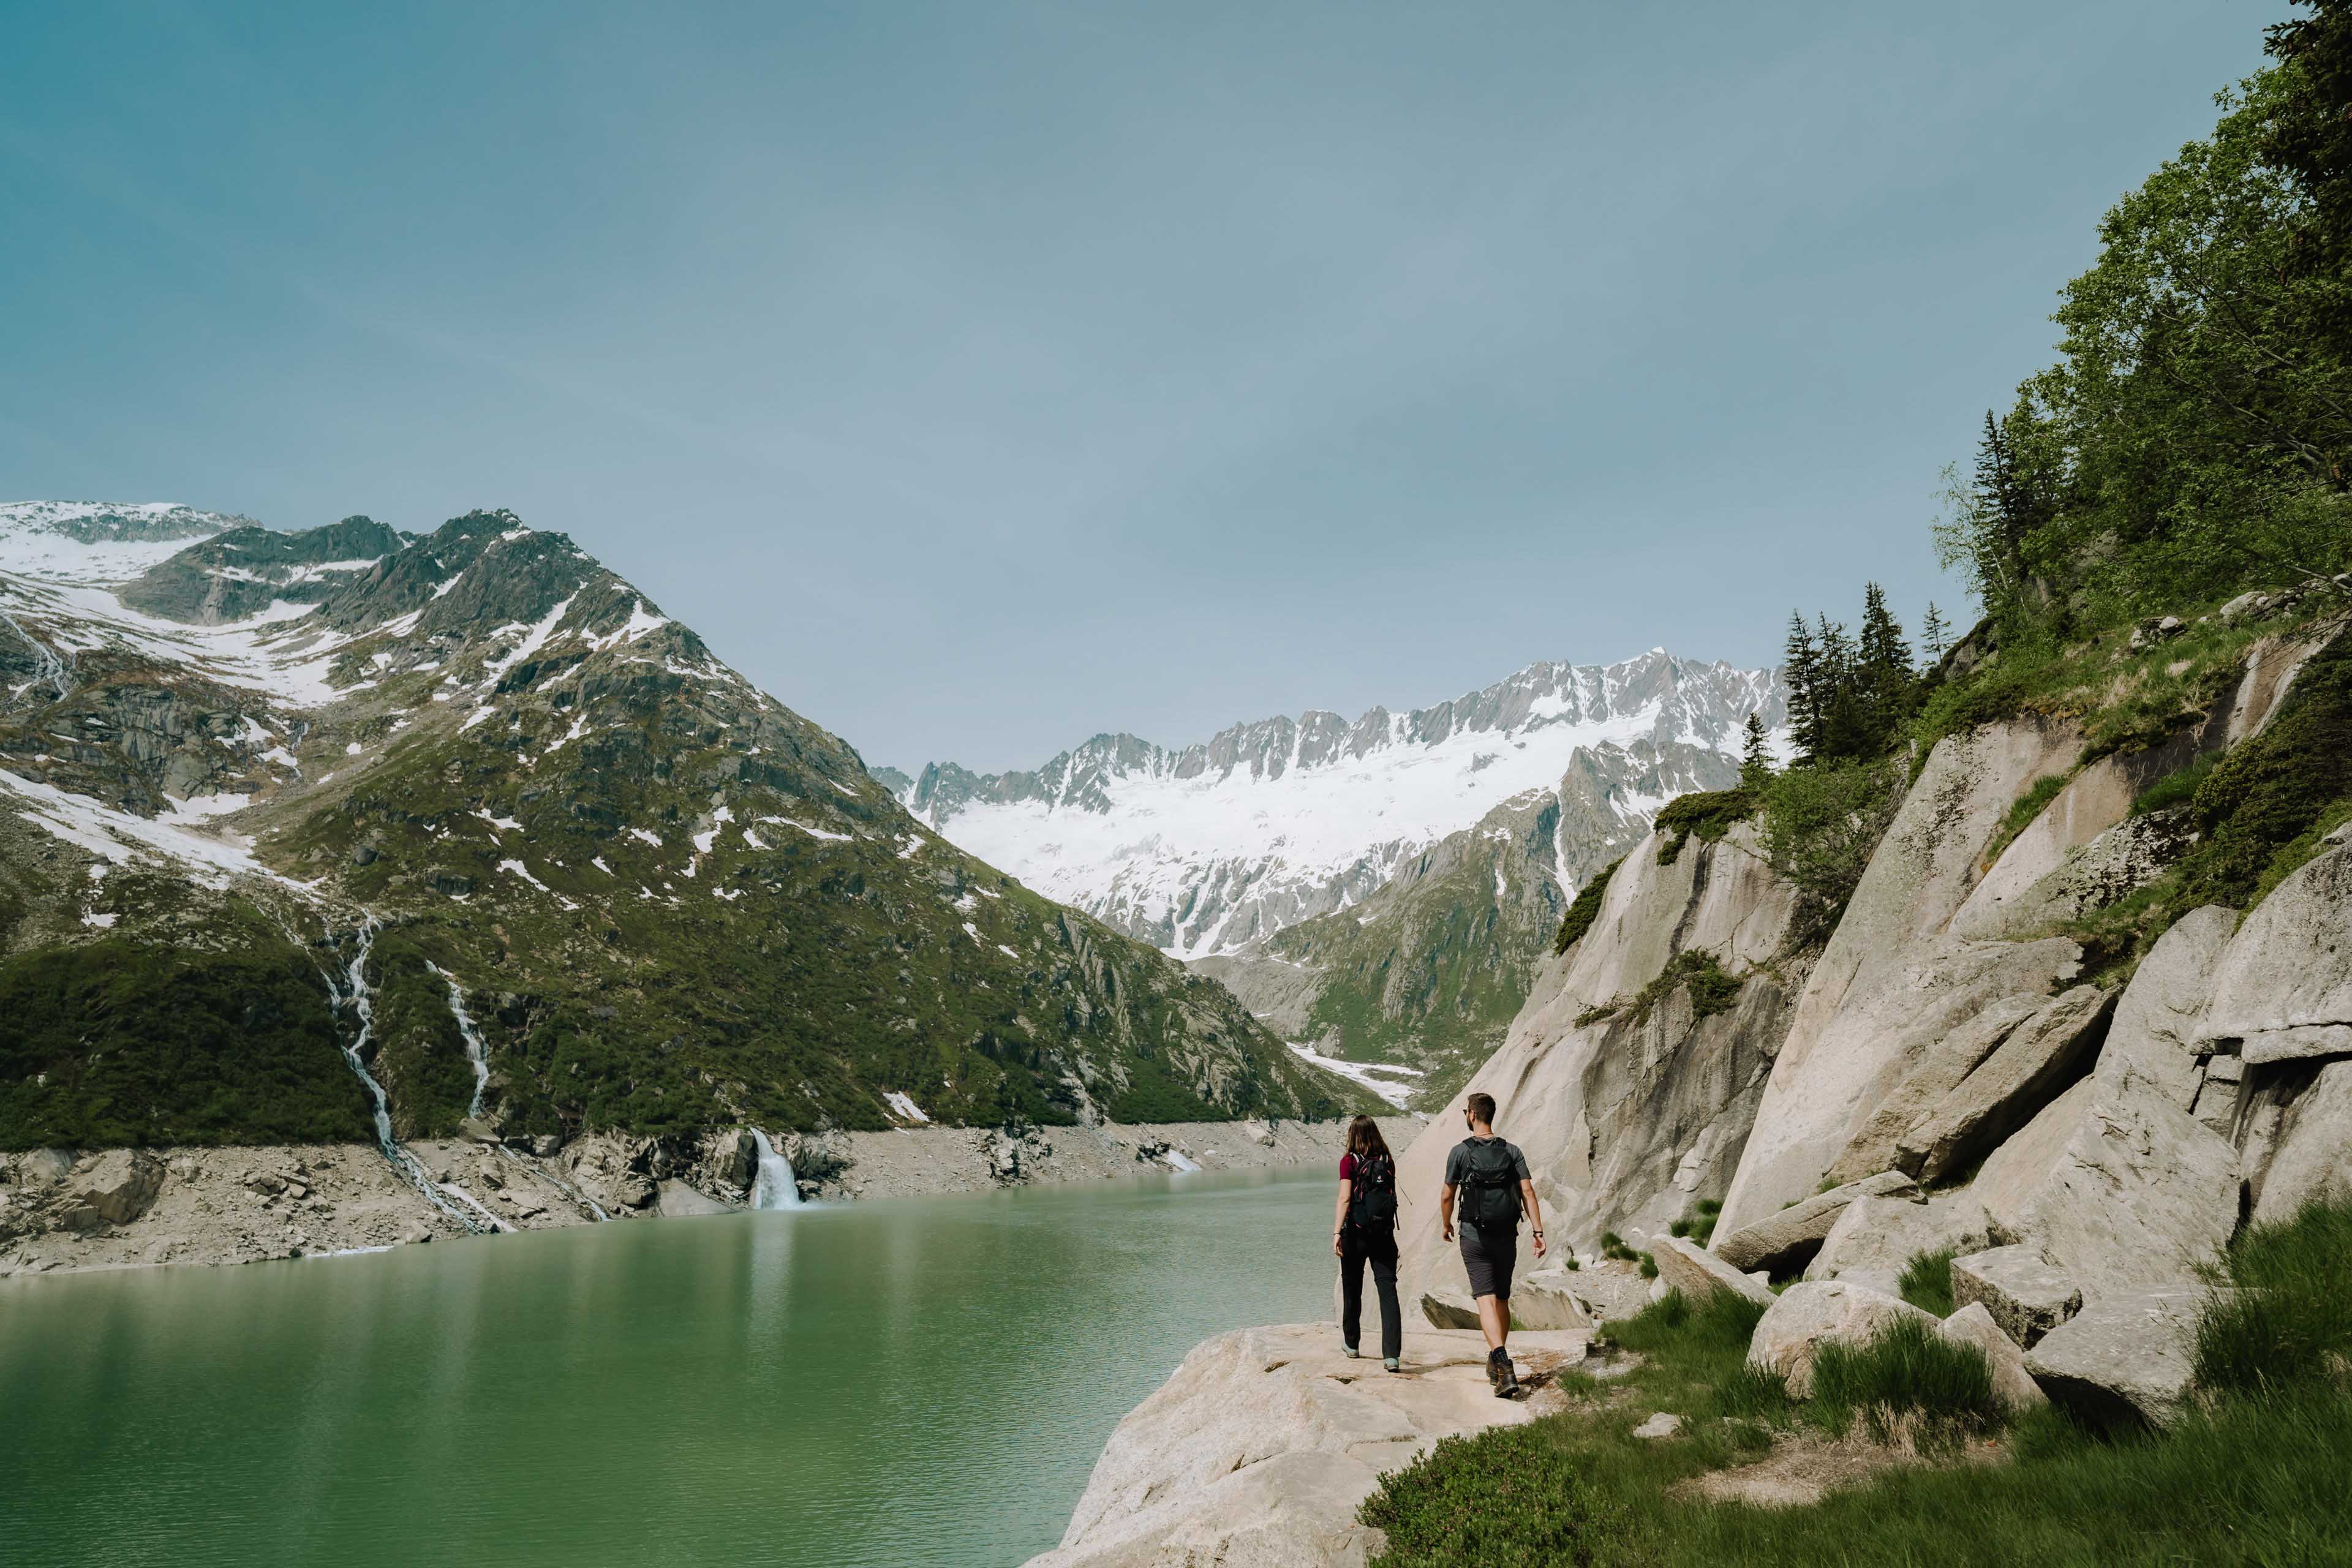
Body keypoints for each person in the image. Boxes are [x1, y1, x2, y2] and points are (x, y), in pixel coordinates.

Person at [1439, 1091, 1544, 1396]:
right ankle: (1497, 1361)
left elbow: (1447, 1195)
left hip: (1474, 1235)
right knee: (1501, 1299)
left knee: (1484, 1299)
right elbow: (1528, 1193)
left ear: (1472, 1114)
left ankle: (1503, 1364)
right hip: (1506, 1235)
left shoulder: (1460, 1152)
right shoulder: (1512, 1151)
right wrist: (1538, 1232)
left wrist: (1446, 1224)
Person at [1333, 1115, 1403, 1371]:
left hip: (1356, 1233)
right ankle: (1392, 1356)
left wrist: (1337, 1232)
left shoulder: (1349, 1161)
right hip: (1384, 1234)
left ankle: (1352, 1345)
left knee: (1352, 1289)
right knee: (1388, 1291)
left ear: (1352, 1135)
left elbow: (1344, 1198)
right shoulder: (1388, 1161)